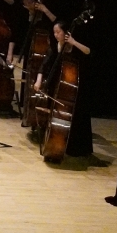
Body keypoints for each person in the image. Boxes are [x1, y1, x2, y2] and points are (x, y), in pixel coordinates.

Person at [36, 18, 93, 157]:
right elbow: (43, 65)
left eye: (58, 32)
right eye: (54, 32)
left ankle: (76, 147)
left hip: (73, 86)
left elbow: (88, 51)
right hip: (56, 85)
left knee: (77, 116)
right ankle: (56, 143)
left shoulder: (73, 45)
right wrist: (38, 81)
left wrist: (74, 42)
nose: (55, 35)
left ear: (66, 33)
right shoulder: (54, 47)